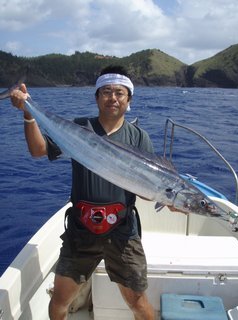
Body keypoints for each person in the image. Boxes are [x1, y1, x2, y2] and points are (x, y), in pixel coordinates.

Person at [10, 65, 155, 320]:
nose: (113, 98)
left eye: (120, 93)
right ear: (97, 97)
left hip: (122, 231)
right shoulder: (80, 127)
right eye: (106, 92)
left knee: (138, 302)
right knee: (60, 300)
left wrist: (168, 197)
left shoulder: (138, 137)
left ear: (129, 99)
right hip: (81, 229)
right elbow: (38, 150)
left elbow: (147, 192)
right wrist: (28, 114)